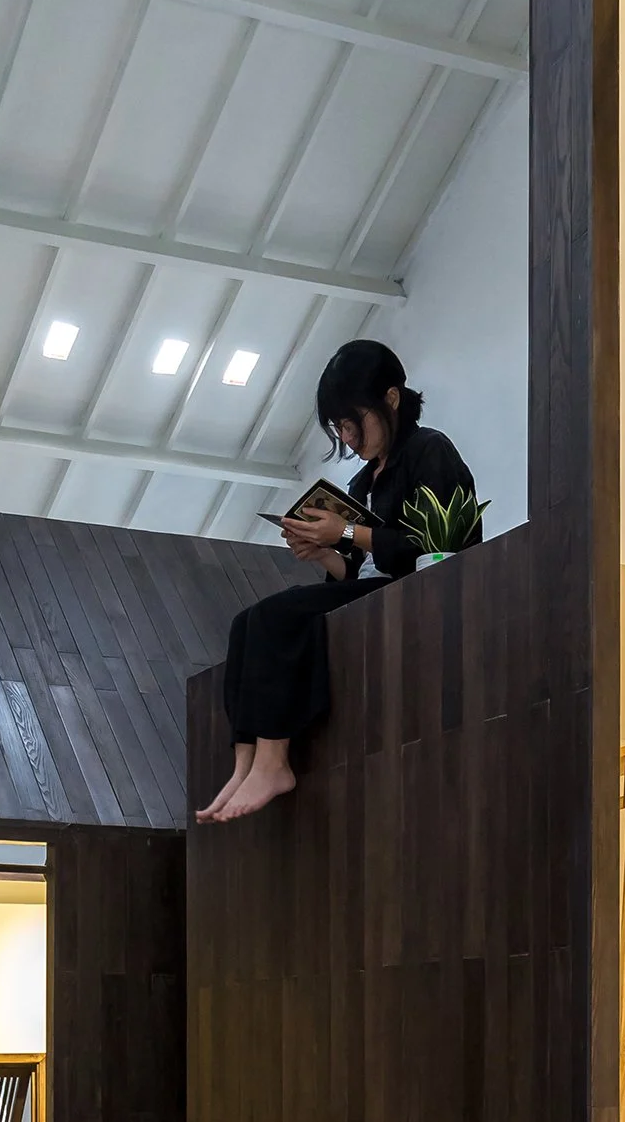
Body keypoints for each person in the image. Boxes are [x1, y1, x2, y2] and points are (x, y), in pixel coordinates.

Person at [197, 340, 480, 822]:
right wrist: (326, 552)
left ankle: (273, 761)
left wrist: (346, 532)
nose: (348, 438)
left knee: (275, 616)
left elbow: (431, 549)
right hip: (373, 591)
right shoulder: (361, 483)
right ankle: (245, 763)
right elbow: (358, 571)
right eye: (340, 428)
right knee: (245, 623)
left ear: (391, 399)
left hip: (417, 592)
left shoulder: (428, 450)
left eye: (353, 423)